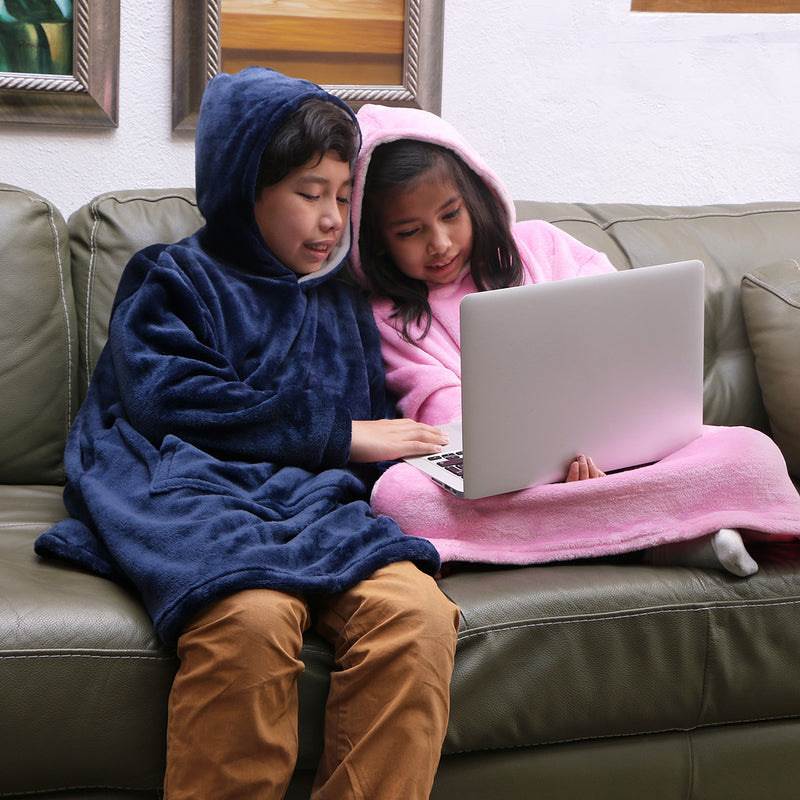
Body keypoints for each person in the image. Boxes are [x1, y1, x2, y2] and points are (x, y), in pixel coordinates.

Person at [34, 69, 459, 800]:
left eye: (344, 197)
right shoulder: (175, 279)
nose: (332, 221)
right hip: (199, 495)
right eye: (309, 194)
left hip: (318, 506)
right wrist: (340, 436)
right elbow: (169, 398)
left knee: (417, 618)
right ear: (244, 187)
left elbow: (381, 425)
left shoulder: (340, 301)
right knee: (252, 619)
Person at [348, 103, 800, 577]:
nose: (439, 242)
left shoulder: (544, 245)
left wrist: (607, 450)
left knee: (752, 452)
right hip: (508, 482)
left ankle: (614, 530)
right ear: (378, 240)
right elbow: (442, 419)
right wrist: (540, 461)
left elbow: (625, 331)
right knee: (403, 497)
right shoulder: (390, 318)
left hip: (626, 456)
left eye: (450, 215)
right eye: (409, 231)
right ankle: (659, 540)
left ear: (476, 196)